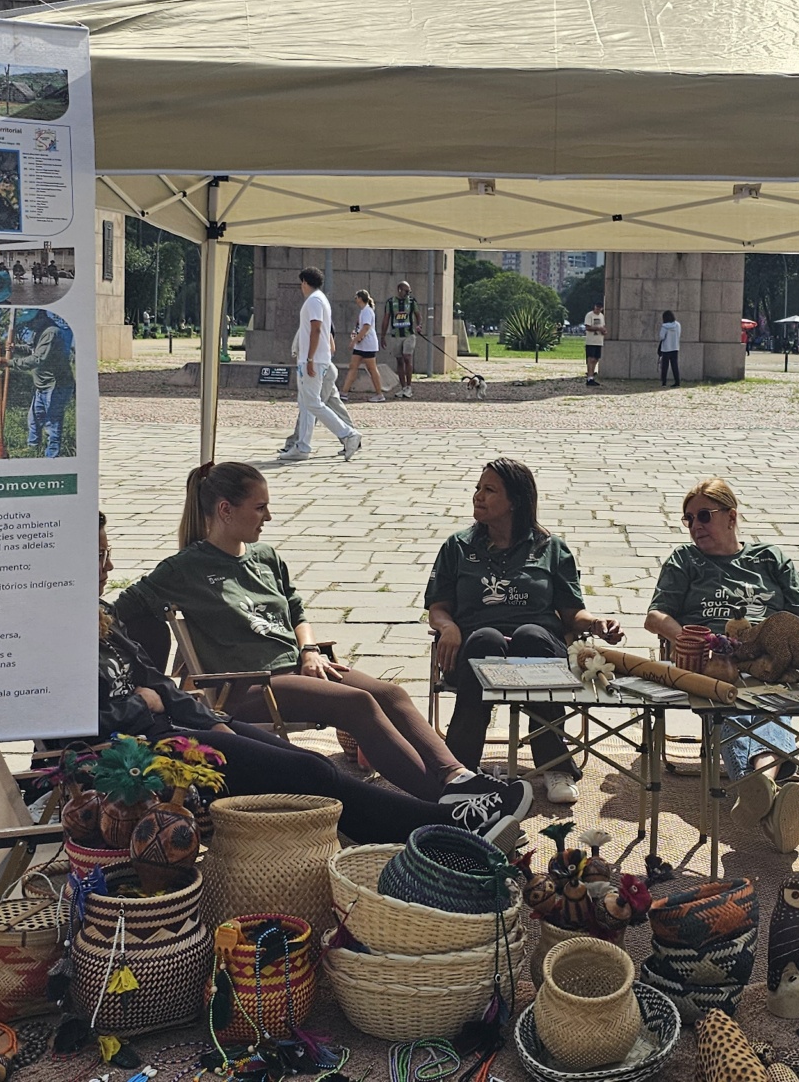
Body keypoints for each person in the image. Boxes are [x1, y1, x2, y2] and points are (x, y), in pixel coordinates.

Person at [124, 464, 535, 831]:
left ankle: (458, 781)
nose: (269, 516)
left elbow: (297, 610)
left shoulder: (266, 557)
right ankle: (444, 806)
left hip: (295, 666)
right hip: (247, 686)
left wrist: (309, 651)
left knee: (390, 692)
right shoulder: (185, 568)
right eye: (260, 507)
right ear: (226, 510)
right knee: (357, 704)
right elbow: (123, 609)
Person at [430, 458, 624, 805]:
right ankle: (461, 769)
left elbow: (571, 612)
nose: (478, 496)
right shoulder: (457, 547)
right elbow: (438, 607)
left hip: (537, 644)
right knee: (484, 639)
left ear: (515, 501)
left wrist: (595, 624)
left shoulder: (550, 548)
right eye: (478, 487)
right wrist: (448, 628)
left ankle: (554, 765)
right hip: (475, 642)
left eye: (489, 490)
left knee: (532, 637)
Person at [642, 478, 799, 851]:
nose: (695, 526)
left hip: (769, 662)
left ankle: (762, 792)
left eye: (704, 516)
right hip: (712, 664)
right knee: (731, 701)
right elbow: (656, 617)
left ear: (731, 516)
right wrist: (691, 641)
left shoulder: (769, 558)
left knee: (772, 702)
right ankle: (766, 782)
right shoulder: (685, 561)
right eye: (688, 519)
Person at [280, 268, 361, 462]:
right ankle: (303, 446)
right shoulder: (319, 299)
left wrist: (309, 358)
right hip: (316, 359)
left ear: (305, 282)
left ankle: (348, 434)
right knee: (308, 404)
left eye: (302, 283)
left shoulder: (314, 301)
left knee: (314, 403)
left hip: (314, 360)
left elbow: (316, 329)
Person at [9, 310, 73, 458]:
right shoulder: (38, 331)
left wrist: (10, 363)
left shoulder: (51, 332)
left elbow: (37, 359)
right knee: (34, 419)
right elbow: (32, 349)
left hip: (56, 386)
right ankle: (33, 448)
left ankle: (52, 456)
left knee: (52, 422)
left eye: (31, 321)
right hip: (42, 386)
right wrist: (16, 348)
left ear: (41, 317)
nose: (29, 325)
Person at [341, 288, 387, 401]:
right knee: (353, 367)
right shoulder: (364, 311)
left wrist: (355, 340)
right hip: (361, 345)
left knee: (371, 369)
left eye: (356, 298)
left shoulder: (367, 311)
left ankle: (379, 394)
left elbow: (366, 327)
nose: (355, 300)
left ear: (361, 299)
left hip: (368, 345)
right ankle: (344, 392)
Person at [387, 280, 421, 398]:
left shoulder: (412, 302)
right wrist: (382, 336)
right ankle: (403, 387)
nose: (408, 294)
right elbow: (386, 318)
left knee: (407, 357)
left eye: (409, 291)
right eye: (406, 291)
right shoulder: (391, 302)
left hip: (409, 334)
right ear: (399, 290)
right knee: (399, 360)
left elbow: (418, 315)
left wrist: (419, 325)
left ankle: (409, 386)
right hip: (396, 334)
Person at [584, 302, 608, 386]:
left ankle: (592, 375)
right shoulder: (589, 315)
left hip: (599, 341)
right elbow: (587, 327)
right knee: (590, 359)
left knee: (596, 359)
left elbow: (603, 326)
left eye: (599, 308)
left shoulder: (601, 316)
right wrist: (597, 328)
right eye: (597, 308)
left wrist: (604, 331)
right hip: (591, 341)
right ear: (594, 307)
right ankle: (589, 378)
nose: (598, 310)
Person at [657, 309, 682, 387]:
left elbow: (661, 337)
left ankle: (664, 382)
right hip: (675, 347)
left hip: (666, 348)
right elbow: (679, 334)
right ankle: (677, 381)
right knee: (675, 365)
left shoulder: (664, 326)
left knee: (665, 366)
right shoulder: (678, 325)